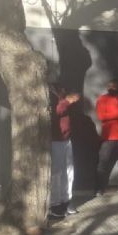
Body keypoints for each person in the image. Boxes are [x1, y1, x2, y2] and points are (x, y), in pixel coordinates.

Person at [48, 84, 81, 219]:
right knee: (57, 172)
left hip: (66, 139)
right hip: (56, 140)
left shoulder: (59, 92)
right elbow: (57, 111)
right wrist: (68, 101)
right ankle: (55, 205)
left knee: (68, 171)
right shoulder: (50, 94)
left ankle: (66, 201)